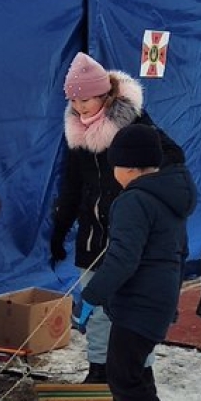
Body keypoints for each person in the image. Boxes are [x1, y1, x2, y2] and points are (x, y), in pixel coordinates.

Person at [81, 124, 201, 401]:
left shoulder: (133, 200)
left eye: (115, 164)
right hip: (156, 298)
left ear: (130, 168)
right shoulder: (168, 196)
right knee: (131, 373)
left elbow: (122, 258)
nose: (113, 172)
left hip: (139, 302)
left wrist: (94, 293)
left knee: (124, 378)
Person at [50, 51, 187, 383]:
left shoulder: (135, 123)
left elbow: (172, 157)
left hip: (130, 233)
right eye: (74, 100)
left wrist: (138, 189)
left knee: (130, 309)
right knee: (96, 310)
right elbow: (71, 185)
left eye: (87, 99)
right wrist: (60, 230)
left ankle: (140, 370)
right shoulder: (76, 134)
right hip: (93, 236)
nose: (80, 107)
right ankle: (99, 368)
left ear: (105, 94)